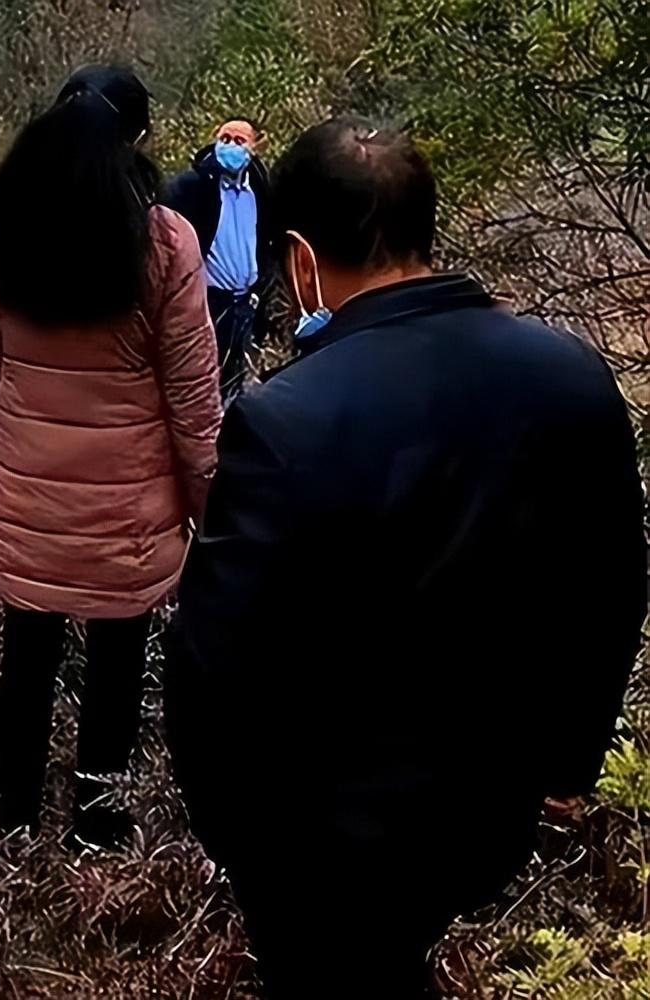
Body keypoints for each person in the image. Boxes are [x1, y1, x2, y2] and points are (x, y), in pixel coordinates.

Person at [164, 117, 645, 998]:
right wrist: (568, 762)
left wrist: (243, 846)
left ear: (300, 258)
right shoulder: (571, 373)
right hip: (488, 809)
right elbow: (611, 587)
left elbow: (214, 668)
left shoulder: (287, 419)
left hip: (327, 836)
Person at [0, 65, 223, 851]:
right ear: (138, 139)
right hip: (126, 509)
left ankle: (14, 818)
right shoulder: (164, 241)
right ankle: (97, 825)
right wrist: (207, 504)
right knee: (117, 667)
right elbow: (193, 397)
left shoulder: (7, 230)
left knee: (26, 660)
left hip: (25, 495)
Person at [161, 117, 274, 404]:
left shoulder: (260, 190)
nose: (230, 146)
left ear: (255, 147)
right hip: (208, 303)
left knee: (236, 385)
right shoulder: (193, 187)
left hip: (245, 304)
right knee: (201, 384)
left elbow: (266, 242)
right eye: (225, 139)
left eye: (239, 141)